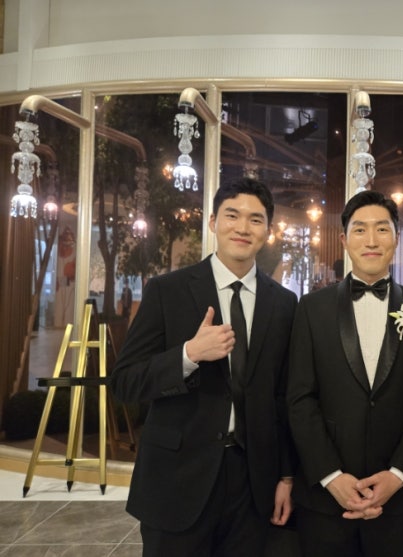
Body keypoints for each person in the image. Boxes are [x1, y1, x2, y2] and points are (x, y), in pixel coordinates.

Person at [110, 178, 297, 557]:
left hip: (252, 484)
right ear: (213, 222)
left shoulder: (284, 303)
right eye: (232, 215)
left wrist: (286, 475)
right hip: (177, 479)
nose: (243, 227)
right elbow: (124, 382)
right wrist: (189, 354)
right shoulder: (167, 291)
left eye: (255, 220)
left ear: (268, 231)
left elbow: (284, 397)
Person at [287, 190, 403, 557]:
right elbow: (299, 398)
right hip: (326, 498)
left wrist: (398, 474)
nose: (371, 240)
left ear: (396, 238)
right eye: (360, 230)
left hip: (401, 499)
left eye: (382, 229)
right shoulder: (311, 309)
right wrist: (331, 475)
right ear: (344, 240)